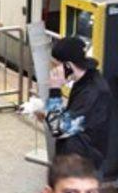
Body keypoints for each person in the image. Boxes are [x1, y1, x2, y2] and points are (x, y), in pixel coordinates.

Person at [45, 37, 112, 171]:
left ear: (68, 66)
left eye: (55, 65)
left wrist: (55, 89)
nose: (52, 70)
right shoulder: (85, 81)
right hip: (74, 157)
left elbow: (58, 128)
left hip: (82, 164)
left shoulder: (93, 92)